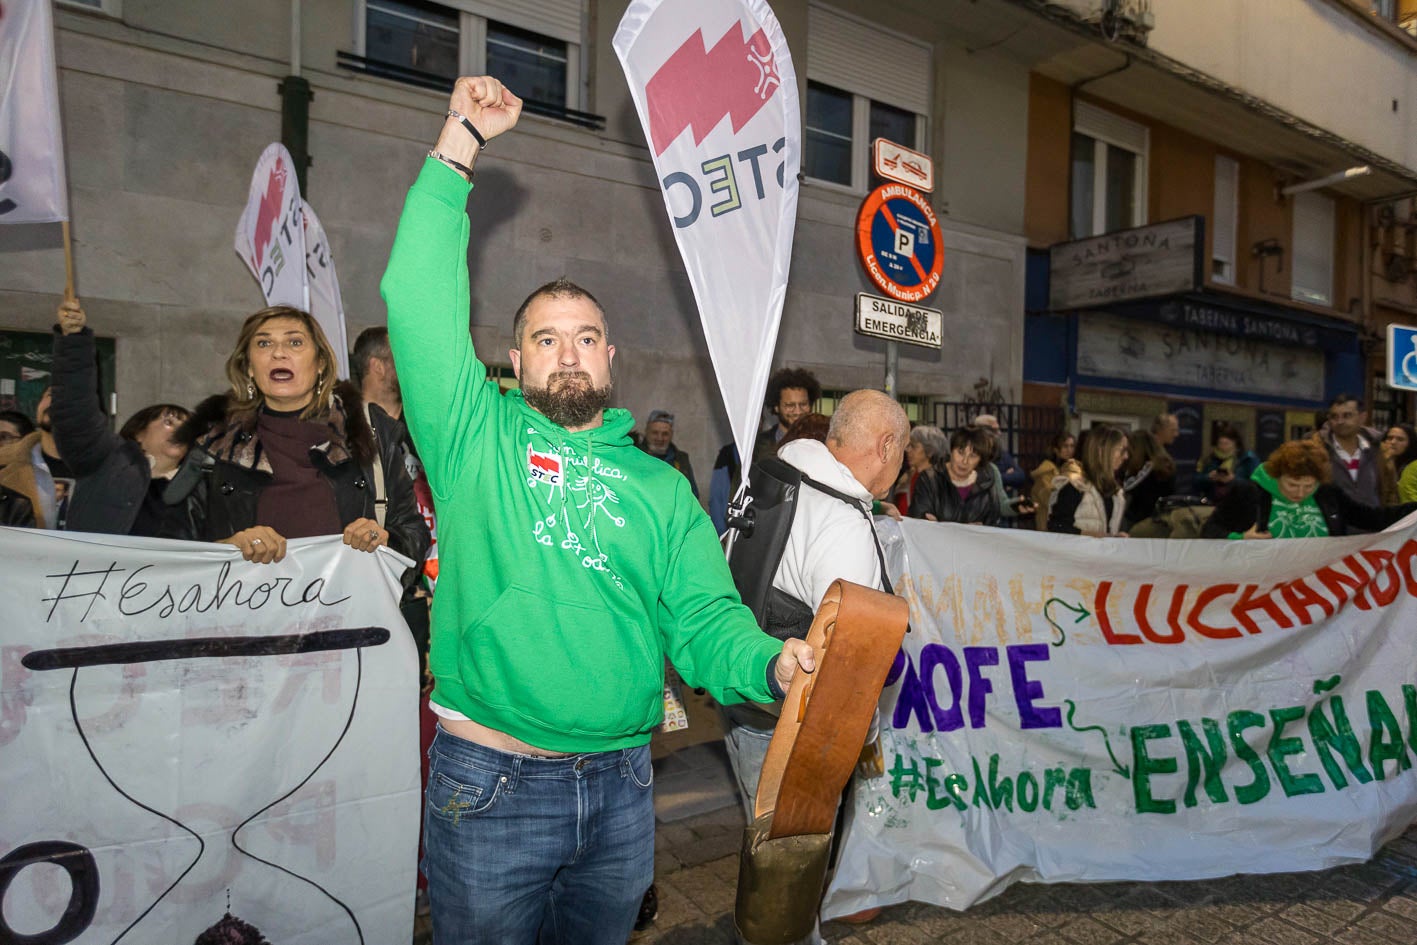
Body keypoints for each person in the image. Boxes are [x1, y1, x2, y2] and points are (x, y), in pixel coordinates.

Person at [379, 74, 814, 945]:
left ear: (609, 357)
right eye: (546, 337)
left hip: (620, 790)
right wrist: (458, 141)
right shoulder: (475, 437)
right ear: (514, 359)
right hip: (492, 784)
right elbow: (415, 301)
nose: (567, 353)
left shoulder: (658, 486)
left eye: (584, 338)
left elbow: (701, 617)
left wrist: (773, 665)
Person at [170, 306, 428, 583]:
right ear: (248, 366)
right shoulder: (216, 442)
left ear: (320, 364)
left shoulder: (369, 430)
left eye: (295, 342)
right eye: (264, 343)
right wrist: (228, 548)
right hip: (250, 620)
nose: (278, 353)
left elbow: (414, 536)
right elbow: (171, 553)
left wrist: (383, 541)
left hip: (349, 619)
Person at [47, 298, 193, 537]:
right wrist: (73, 341)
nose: (179, 430)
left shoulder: (199, 487)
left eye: (187, 428)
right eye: (169, 421)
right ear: (138, 431)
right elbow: (75, 411)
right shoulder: (106, 461)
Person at [1202, 438, 1417, 539]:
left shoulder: (1327, 493)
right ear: (1277, 475)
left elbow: (1371, 517)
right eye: (1292, 485)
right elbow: (1209, 532)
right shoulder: (1248, 493)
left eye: (1308, 486)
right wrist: (1239, 539)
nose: (1300, 493)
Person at [708, 367, 821, 532]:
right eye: (790, 405)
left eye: (803, 404)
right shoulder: (755, 449)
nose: (797, 411)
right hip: (766, 532)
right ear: (776, 407)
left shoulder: (819, 445)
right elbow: (738, 494)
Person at [0, 387, 72, 529]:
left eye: (4, 437)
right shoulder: (6, 470)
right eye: (50, 394)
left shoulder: (112, 470)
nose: (55, 402)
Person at [909, 425, 1002, 526]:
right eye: (960, 453)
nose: (965, 461)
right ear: (951, 451)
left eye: (973, 456)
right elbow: (918, 521)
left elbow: (993, 525)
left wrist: (981, 530)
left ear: (980, 460)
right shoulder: (929, 479)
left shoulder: (987, 482)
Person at [1048, 425, 1129, 537]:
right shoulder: (1075, 487)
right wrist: (1096, 536)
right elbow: (1056, 528)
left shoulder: (1115, 493)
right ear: (1101, 450)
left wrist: (1115, 537)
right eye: (1122, 450)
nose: (1126, 456)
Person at [1314, 394, 1393, 508]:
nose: (1340, 421)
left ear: (1362, 417)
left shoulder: (1378, 450)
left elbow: (1390, 492)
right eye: (1334, 416)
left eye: (1347, 415)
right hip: (1331, 523)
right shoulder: (1317, 450)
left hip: (1374, 523)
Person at [1122, 428, 1177, 528]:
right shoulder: (1165, 467)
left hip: (1142, 525)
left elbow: (1140, 502)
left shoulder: (1149, 473)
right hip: (1161, 524)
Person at [639, 408, 698, 496]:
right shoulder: (636, 456)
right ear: (646, 432)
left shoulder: (682, 459)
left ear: (671, 435)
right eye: (655, 433)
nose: (660, 438)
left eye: (665, 434)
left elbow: (693, 494)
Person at [1194, 424, 1258, 503]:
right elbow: (1196, 482)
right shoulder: (1209, 459)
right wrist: (1209, 477)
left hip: (1240, 504)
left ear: (1235, 443)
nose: (1223, 447)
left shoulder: (1248, 459)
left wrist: (1233, 480)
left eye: (1226, 443)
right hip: (1213, 503)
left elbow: (1254, 486)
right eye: (1220, 443)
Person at [1030, 431, 1077, 530]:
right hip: (1047, 528)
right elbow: (1050, 500)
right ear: (1056, 449)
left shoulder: (1070, 468)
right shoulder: (1045, 473)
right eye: (1065, 446)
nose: (1069, 450)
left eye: (1072, 446)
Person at [893, 424, 945, 514]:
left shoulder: (936, 480)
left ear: (930, 451)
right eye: (908, 445)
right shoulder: (907, 476)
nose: (907, 450)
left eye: (913, 446)